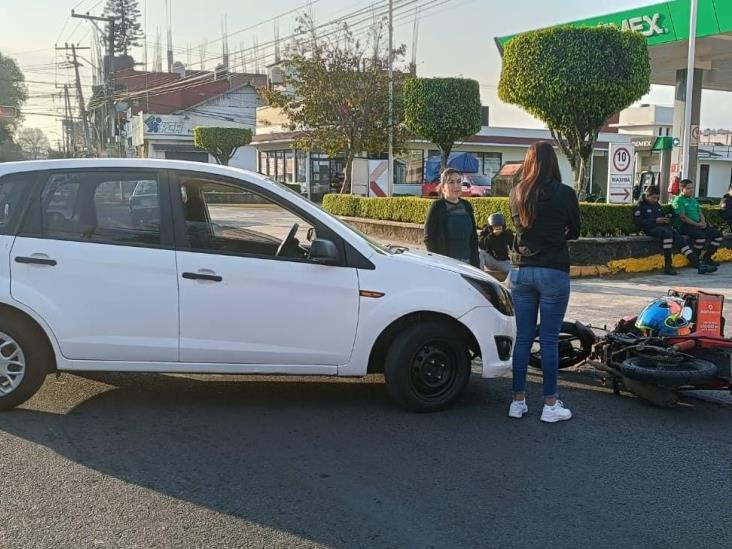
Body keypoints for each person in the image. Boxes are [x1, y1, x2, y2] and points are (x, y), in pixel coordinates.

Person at [508, 141, 580, 423]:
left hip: (521, 272)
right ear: (553, 162)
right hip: (553, 271)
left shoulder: (517, 192)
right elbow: (575, 230)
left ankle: (517, 401)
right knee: (548, 339)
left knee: (523, 338)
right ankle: (550, 405)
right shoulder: (565, 193)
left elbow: (519, 227)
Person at [633, 185, 716, 275]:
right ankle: (668, 266)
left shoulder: (656, 204)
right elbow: (639, 222)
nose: (656, 200)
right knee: (667, 235)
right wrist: (655, 220)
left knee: (681, 240)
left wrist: (666, 218)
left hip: (663, 227)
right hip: (651, 229)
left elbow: (661, 215)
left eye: (657, 198)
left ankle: (698, 265)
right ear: (647, 195)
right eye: (653, 198)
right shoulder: (640, 205)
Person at [423, 168, 480, 267]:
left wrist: (476, 263)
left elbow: (473, 237)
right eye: (451, 182)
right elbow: (429, 238)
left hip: (468, 262)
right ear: (443, 187)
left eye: (459, 182)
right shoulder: (437, 207)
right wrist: (439, 262)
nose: (456, 186)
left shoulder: (467, 206)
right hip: (447, 264)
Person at [672, 179, 723, 267]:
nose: (691, 190)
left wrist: (703, 222)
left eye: (692, 188)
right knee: (701, 237)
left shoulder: (693, 199)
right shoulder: (678, 200)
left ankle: (707, 258)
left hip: (698, 224)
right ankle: (695, 260)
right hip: (684, 226)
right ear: (682, 189)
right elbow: (683, 217)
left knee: (718, 236)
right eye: (688, 188)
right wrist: (697, 224)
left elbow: (700, 212)